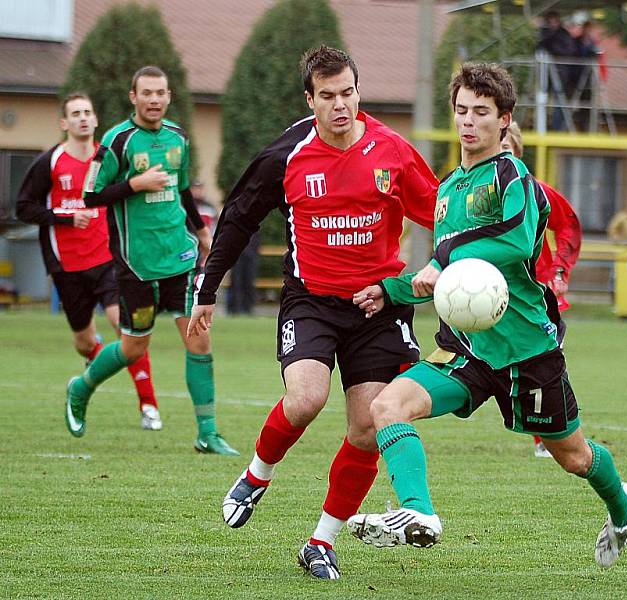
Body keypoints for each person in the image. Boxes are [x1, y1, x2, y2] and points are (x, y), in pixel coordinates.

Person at [346, 62, 627, 569]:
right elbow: (446, 275)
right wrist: (390, 292)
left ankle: (620, 504)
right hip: (467, 349)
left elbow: (518, 239)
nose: (468, 122)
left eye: (481, 112)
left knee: (575, 457)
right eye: (461, 111)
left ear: (504, 120)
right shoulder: (449, 187)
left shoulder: (513, 176)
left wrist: (447, 253)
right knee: (388, 407)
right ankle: (419, 514)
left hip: (527, 352)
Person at [187, 46, 438, 580]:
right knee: (305, 399)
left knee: (368, 428)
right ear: (310, 99)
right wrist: (208, 288)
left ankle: (320, 542)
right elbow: (237, 218)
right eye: (328, 96)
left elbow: (442, 212)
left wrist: (453, 266)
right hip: (311, 300)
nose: (340, 105)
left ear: (357, 91)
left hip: (378, 305)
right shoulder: (288, 155)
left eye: (348, 93)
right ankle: (256, 476)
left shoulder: (392, 151)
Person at [63, 66, 238, 455]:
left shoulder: (178, 137)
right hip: (137, 263)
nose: (154, 99)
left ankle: (206, 433)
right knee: (132, 350)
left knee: (199, 342)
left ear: (169, 96)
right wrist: (134, 185)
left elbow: (183, 190)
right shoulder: (117, 141)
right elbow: (91, 195)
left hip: (179, 255)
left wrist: (202, 231)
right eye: (147, 93)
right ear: (133, 97)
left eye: (160, 93)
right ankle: (81, 387)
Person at [16, 93, 162, 431]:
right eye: (75, 114)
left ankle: (149, 405)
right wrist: (66, 217)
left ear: (95, 120)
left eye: (88, 112)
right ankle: (86, 383)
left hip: (109, 259)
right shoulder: (49, 163)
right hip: (66, 266)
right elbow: (23, 208)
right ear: (64, 123)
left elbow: (127, 194)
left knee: (127, 329)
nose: (83, 118)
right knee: (84, 342)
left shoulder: (107, 157)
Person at [501, 121, 582, 458]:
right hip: (497, 297)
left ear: (518, 152)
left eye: (506, 149)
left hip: (540, 297)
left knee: (544, 364)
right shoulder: (473, 195)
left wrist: (560, 269)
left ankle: (546, 439)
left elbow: (569, 226)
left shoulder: (538, 191)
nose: (499, 157)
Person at [537, 10, 579, 131]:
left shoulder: (563, 34)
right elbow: (539, 47)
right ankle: (543, 126)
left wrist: (554, 51)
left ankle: (557, 128)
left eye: (554, 21)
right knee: (542, 98)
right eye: (550, 21)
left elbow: (569, 51)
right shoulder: (544, 34)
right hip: (545, 72)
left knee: (559, 101)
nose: (552, 24)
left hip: (561, 72)